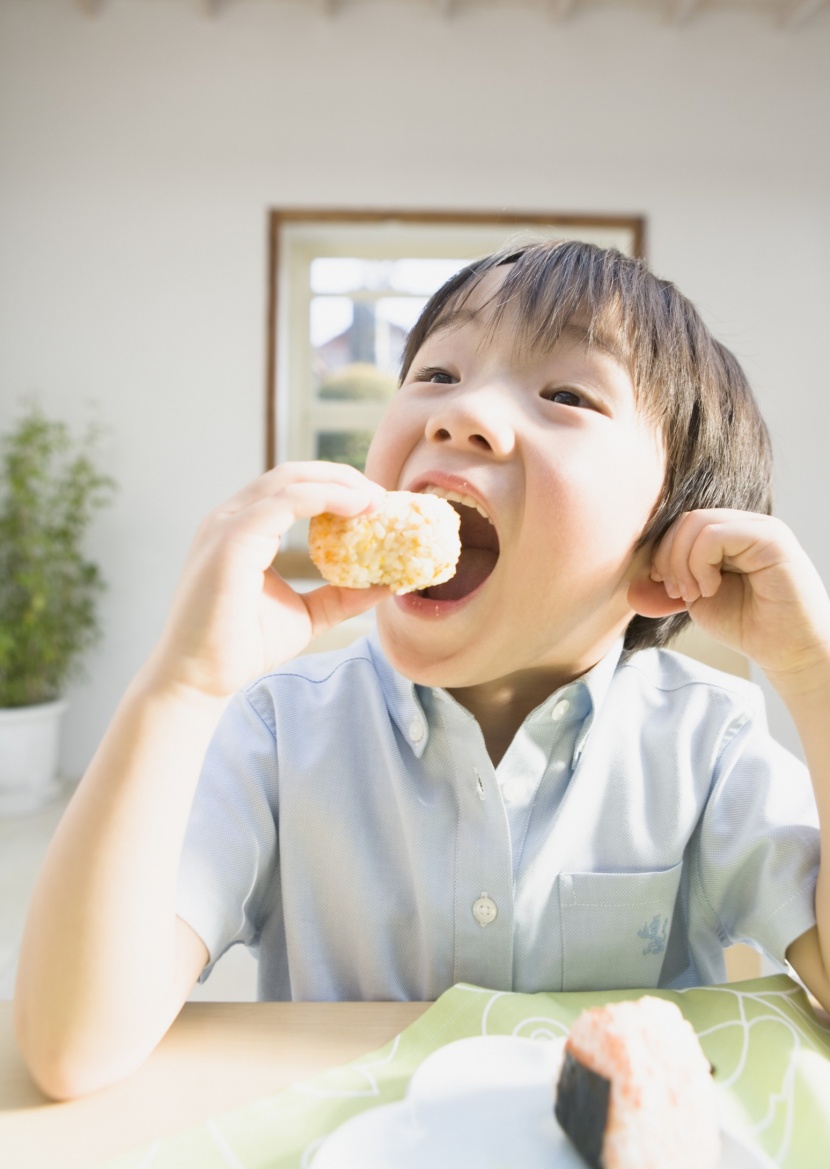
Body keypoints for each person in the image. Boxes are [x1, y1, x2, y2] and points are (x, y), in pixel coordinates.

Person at [14, 240, 830, 1101]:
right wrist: (180, 687)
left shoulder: (708, 740)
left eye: (565, 393)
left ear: (666, 551)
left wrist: (814, 675)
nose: (462, 412)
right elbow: (74, 1047)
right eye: (438, 373)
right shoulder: (280, 731)